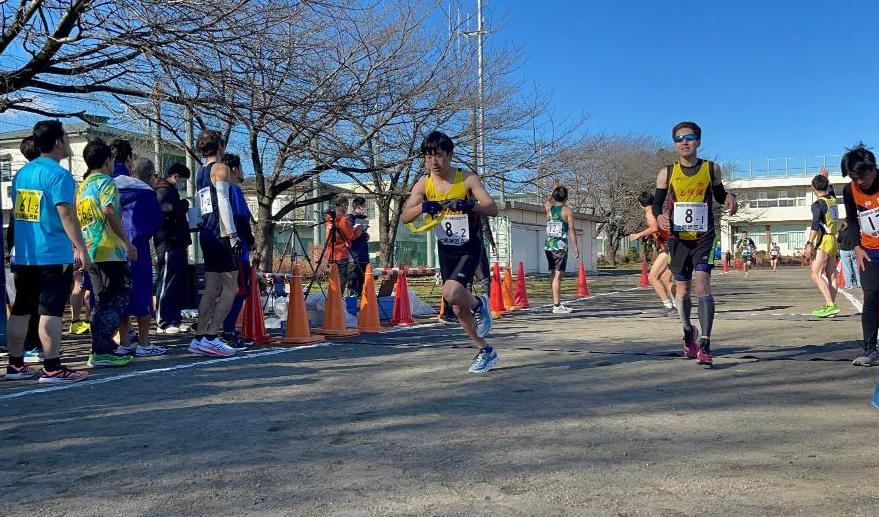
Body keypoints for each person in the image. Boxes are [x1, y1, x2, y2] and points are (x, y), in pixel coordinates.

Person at [402, 131, 498, 374]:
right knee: (455, 306)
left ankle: (481, 305)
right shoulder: (423, 184)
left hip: (469, 247)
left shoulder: (466, 179)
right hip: (446, 250)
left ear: (450, 155)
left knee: (451, 292)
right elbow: (405, 216)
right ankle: (485, 350)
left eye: (438, 156)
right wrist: (424, 205)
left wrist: (468, 204)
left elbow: (492, 208)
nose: (434, 161)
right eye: (428, 156)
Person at [5, 121, 91, 383]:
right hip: (52, 253)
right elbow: (66, 215)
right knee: (50, 311)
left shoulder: (22, 174)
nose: (67, 141)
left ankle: (16, 365)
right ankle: (52, 367)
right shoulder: (59, 175)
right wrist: (81, 248)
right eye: (65, 136)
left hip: (25, 253)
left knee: (21, 309)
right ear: (57, 142)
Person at [652, 121, 738, 367]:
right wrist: (659, 216)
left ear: (698, 141)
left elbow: (721, 195)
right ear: (674, 143)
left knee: (702, 286)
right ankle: (688, 331)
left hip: (704, 237)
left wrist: (731, 199)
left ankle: (706, 343)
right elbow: (658, 204)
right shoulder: (666, 172)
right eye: (679, 139)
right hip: (679, 239)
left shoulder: (711, 169)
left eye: (689, 137)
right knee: (682, 290)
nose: (684, 142)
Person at [75, 138, 138, 368]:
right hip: (109, 250)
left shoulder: (82, 186)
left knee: (101, 301)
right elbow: (109, 211)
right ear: (106, 160)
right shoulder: (106, 182)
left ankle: (100, 348)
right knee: (117, 297)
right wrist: (127, 242)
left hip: (91, 249)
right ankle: (102, 348)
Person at [192, 130, 239, 357]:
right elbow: (223, 202)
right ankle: (212, 336)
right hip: (221, 234)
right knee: (232, 287)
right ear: (220, 147)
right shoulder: (221, 169)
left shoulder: (200, 173)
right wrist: (233, 235)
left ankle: (199, 337)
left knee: (211, 289)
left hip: (206, 232)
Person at [115, 158, 165, 356]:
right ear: (150, 175)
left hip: (114, 249)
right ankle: (144, 342)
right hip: (137, 247)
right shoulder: (146, 193)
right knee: (142, 294)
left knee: (121, 296)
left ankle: (124, 341)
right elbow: (155, 223)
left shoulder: (113, 187)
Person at [841, 144, 879, 366]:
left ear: (873, 168)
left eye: (862, 176)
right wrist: (857, 247)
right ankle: (870, 351)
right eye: (854, 178)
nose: (859, 182)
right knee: (871, 296)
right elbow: (853, 220)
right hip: (869, 252)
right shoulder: (849, 190)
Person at [220, 153, 255, 350]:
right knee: (239, 290)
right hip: (237, 249)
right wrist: (249, 240)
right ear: (234, 169)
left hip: (221, 246)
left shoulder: (217, 190)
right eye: (241, 167)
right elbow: (241, 218)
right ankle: (228, 331)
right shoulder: (233, 189)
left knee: (223, 290)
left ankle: (222, 329)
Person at [153, 162, 193, 334]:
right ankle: (163, 320)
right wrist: (184, 205)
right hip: (168, 241)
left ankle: (175, 319)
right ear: (176, 177)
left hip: (177, 241)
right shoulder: (162, 190)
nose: (183, 184)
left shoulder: (170, 190)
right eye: (183, 180)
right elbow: (167, 209)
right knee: (166, 281)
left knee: (176, 282)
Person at [629, 191, 675, 311]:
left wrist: (638, 235)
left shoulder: (650, 214)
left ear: (641, 204)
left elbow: (654, 228)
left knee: (652, 277)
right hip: (672, 245)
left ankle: (667, 305)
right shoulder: (658, 211)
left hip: (668, 246)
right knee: (666, 279)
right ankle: (677, 304)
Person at [804, 174, 840, 318]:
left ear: (813, 187)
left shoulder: (817, 204)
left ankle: (830, 305)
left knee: (815, 274)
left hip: (824, 240)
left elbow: (815, 224)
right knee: (832, 275)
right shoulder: (832, 199)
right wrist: (826, 179)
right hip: (833, 239)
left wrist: (809, 243)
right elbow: (830, 190)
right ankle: (830, 306)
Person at [544, 179, 580, 313]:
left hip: (548, 245)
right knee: (558, 276)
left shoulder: (549, 208)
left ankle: (556, 303)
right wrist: (576, 247)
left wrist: (554, 189)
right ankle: (557, 305)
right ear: (566, 197)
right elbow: (571, 229)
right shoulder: (567, 211)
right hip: (560, 246)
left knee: (553, 274)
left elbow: (547, 200)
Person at [325, 196, 363, 296]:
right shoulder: (342, 219)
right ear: (343, 205)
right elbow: (350, 235)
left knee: (333, 281)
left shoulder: (330, 219)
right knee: (341, 282)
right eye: (347, 206)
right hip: (341, 254)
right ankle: (337, 303)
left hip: (331, 253)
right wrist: (359, 229)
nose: (347, 209)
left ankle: (332, 302)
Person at [347, 196, 371, 297]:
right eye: (363, 206)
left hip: (363, 255)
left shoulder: (364, 219)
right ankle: (351, 304)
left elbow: (364, 236)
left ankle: (361, 304)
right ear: (356, 207)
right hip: (354, 255)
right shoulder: (350, 218)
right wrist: (358, 232)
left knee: (362, 281)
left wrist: (365, 235)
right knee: (353, 282)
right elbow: (349, 235)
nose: (364, 208)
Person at [838, 221, 860, 289]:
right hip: (853, 250)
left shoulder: (842, 231)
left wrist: (841, 231)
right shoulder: (854, 230)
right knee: (856, 267)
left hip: (844, 250)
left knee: (847, 268)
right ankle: (859, 283)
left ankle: (849, 285)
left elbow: (839, 240)